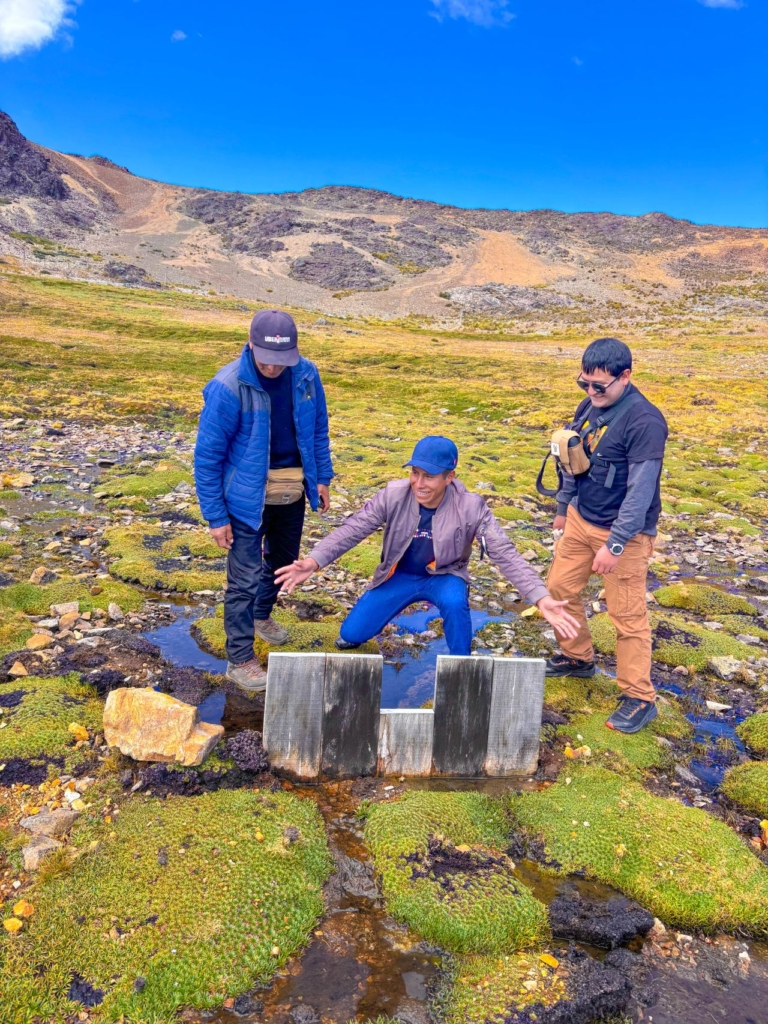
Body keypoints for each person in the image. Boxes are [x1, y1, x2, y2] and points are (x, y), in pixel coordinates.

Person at [274, 435, 579, 654]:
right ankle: (363, 627)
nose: (419, 484)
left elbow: (506, 554)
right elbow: (353, 528)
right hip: (398, 575)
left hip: (445, 575)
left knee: (455, 603)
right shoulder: (393, 495)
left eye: (429, 476)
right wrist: (314, 561)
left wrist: (540, 598)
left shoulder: (471, 508)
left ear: (450, 477)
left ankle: (461, 663)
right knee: (350, 633)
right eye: (414, 473)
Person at [194, 309, 333, 692]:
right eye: (267, 360)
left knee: (285, 560)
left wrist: (322, 477)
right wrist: (215, 516)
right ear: (251, 345)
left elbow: (318, 428)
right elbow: (207, 458)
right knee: (243, 578)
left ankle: (261, 614)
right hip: (244, 499)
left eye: (281, 360)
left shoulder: (306, 374)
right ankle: (239, 659)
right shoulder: (227, 387)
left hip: (291, 489)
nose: (273, 368)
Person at [545, 337, 668, 733]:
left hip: (625, 534)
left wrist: (615, 543)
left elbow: (641, 491)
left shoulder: (645, 422)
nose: (592, 393)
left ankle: (639, 697)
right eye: (585, 384)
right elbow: (571, 459)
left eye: (600, 386)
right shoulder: (590, 406)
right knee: (559, 588)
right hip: (582, 518)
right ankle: (578, 658)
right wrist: (564, 509)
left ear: (626, 376)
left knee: (627, 616)